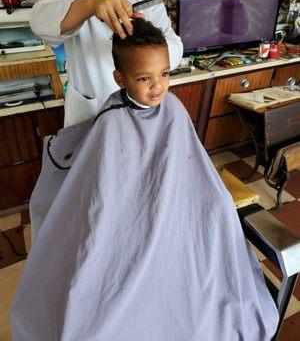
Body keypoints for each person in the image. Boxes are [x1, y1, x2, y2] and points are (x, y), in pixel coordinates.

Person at [11, 19, 278, 340]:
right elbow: (104, 193)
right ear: (120, 78)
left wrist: (208, 200)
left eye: (165, 74)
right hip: (126, 217)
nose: (158, 87)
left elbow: (190, 167)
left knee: (216, 212)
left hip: (178, 208)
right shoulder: (112, 123)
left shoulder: (174, 108)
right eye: (144, 78)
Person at [30, 0, 183, 127]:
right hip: (90, 114)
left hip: (140, 114)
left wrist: (143, 36)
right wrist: (90, 5)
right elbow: (39, 22)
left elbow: (174, 50)